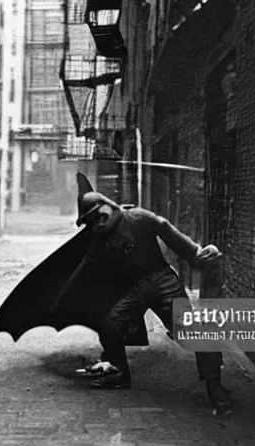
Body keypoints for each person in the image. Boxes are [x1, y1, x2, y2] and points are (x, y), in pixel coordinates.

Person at [69, 176, 232, 417]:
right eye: (91, 220)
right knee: (110, 326)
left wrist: (197, 254)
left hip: (163, 282)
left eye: (98, 216)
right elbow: (93, 272)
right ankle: (119, 373)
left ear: (107, 208)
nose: (97, 223)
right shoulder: (98, 242)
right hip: (135, 289)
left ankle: (215, 386)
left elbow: (170, 234)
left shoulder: (139, 218)